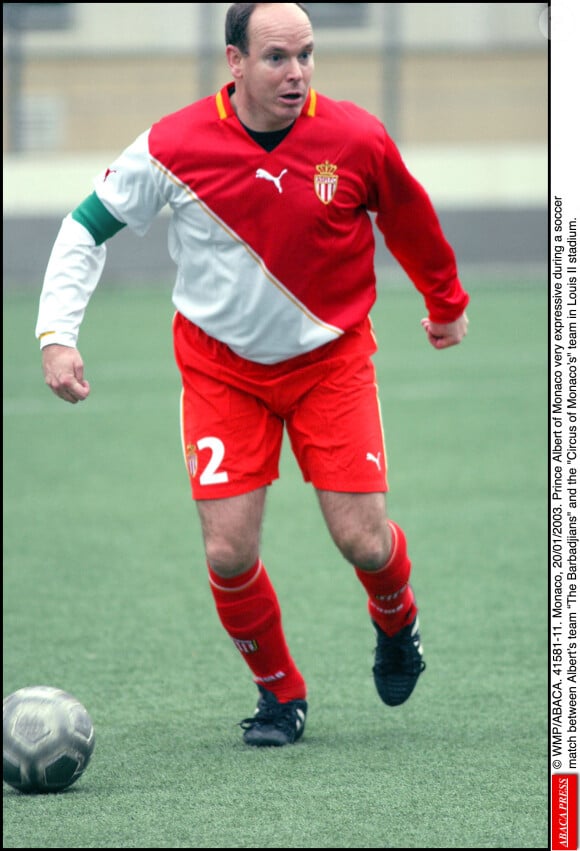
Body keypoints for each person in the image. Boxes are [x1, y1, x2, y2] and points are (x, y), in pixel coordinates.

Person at [36, 2, 469, 747]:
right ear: (234, 62)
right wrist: (56, 334)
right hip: (220, 371)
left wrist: (446, 302)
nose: (296, 72)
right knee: (229, 551)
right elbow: (87, 226)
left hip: (331, 362)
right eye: (276, 58)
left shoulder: (356, 137)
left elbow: (409, 216)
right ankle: (280, 695)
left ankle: (398, 621)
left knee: (363, 540)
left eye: (305, 55)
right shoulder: (174, 144)